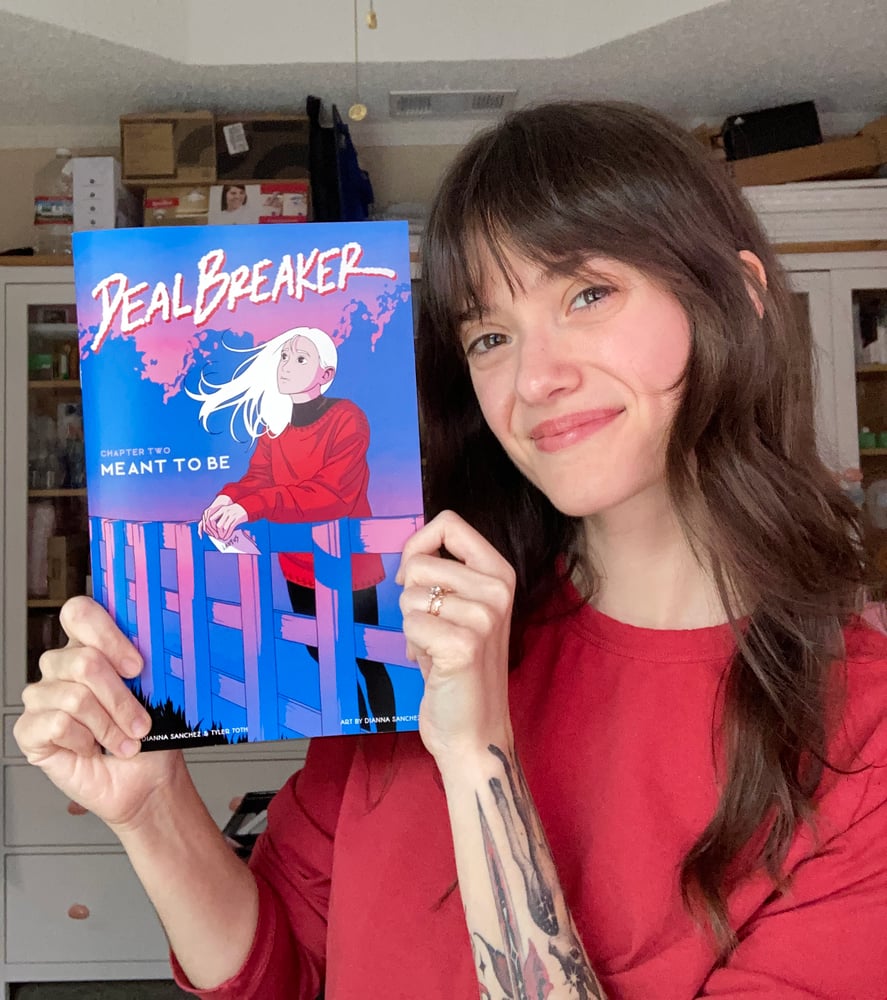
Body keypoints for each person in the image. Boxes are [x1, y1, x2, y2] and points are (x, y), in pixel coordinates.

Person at [13, 101, 887, 999]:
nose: (534, 379)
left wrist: (478, 760)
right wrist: (154, 810)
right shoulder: (415, 635)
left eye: (587, 294)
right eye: (490, 336)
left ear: (738, 296)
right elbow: (284, 975)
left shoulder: (861, 731)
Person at [192, 325, 397, 733]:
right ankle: (359, 733)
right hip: (299, 565)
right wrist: (226, 499)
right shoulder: (275, 428)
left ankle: (390, 734)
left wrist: (252, 505)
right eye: (284, 356)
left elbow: (331, 494)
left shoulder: (348, 418)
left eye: (301, 359)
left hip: (348, 565)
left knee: (367, 656)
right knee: (322, 654)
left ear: (325, 374)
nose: (286, 365)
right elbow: (257, 480)